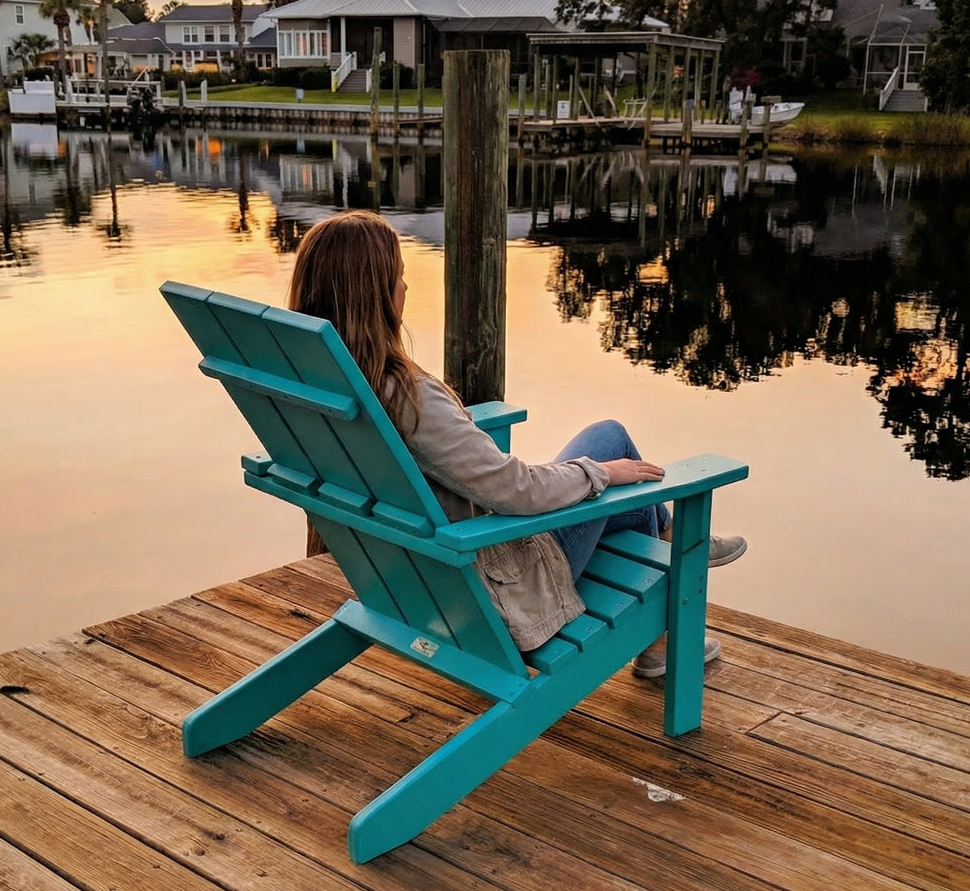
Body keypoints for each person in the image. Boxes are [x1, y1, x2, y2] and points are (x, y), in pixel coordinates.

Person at [287, 210, 746, 678]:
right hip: (491, 585)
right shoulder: (407, 397)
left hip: (409, 581)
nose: (406, 288)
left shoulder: (312, 392)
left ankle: (668, 583)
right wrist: (600, 473)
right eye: (399, 277)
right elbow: (515, 489)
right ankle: (680, 566)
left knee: (615, 471)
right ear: (374, 295)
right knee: (614, 451)